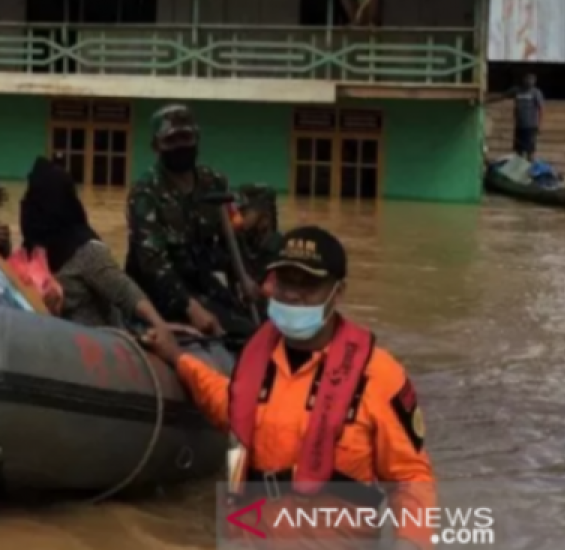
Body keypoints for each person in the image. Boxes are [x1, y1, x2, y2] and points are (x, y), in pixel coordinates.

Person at [141, 226, 436, 549]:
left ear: (337, 293)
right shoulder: (256, 362)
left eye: (308, 285)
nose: (293, 295)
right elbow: (226, 404)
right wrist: (177, 357)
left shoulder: (379, 376)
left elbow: (410, 478)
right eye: (285, 282)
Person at [22, 157, 184, 356]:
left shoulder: (86, 251)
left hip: (100, 353)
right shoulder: (30, 254)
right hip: (55, 350)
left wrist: (160, 325)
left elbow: (124, 290)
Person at [126, 104, 256, 342]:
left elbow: (233, 242)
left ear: (197, 138)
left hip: (201, 280)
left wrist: (244, 279)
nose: (180, 146)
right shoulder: (146, 192)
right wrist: (190, 308)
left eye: (186, 137)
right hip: (160, 291)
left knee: (254, 325)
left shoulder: (213, 183)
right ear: (156, 146)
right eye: (171, 140)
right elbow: (153, 264)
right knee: (229, 332)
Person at [488, 73, 545, 160]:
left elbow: (541, 109)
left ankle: (530, 169)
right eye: (528, 79)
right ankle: (519, 169)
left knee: (530, 150)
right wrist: (488, 100)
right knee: (518, 150)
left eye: (532, 80)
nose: (529, 81)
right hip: (519, 126)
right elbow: (503, 96)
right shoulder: (517, 90)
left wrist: (539, 125)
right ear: (523, 80)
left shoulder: (536, 92)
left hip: (530, 126)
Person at [236, 184, 284, 286]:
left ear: (265, 219)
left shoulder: (275, 247)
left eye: (245, 213)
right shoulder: (243, 239)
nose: (239, 217)